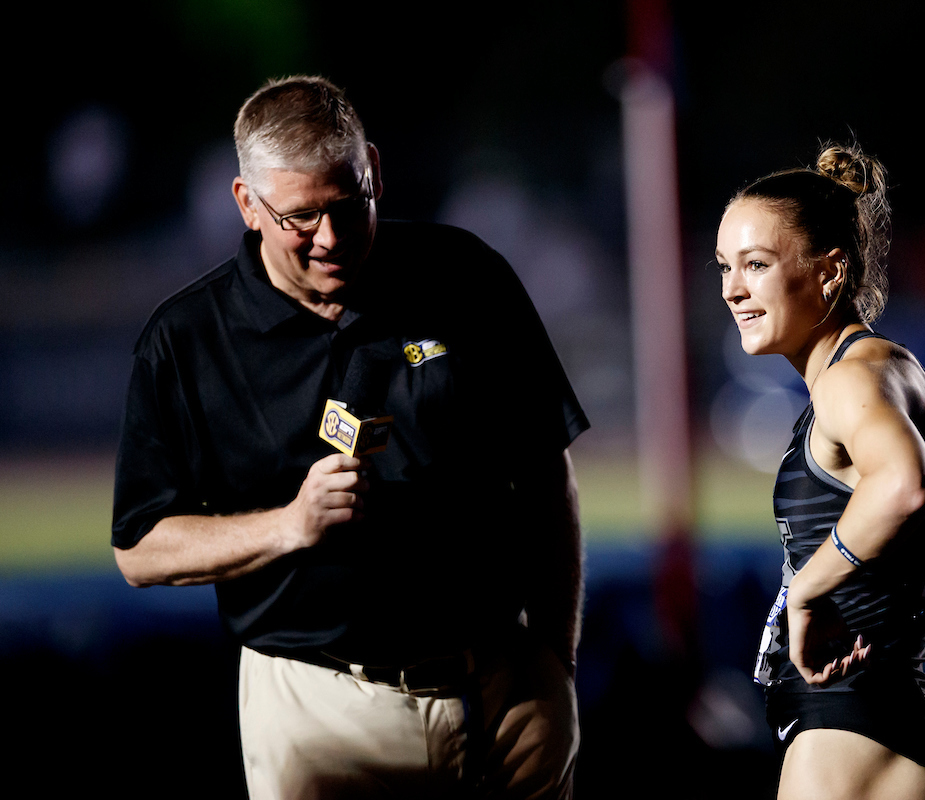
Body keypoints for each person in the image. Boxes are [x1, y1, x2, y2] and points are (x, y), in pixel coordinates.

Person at [111, 75, 589, 799]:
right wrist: (289, 526)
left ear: (374, 168)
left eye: (349, 204)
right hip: (318, 710)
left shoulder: (464, 276)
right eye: (302, 218)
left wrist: (555, 663)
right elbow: (140, 549)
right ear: (247, 204)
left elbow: (546, 477)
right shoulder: (186, 342)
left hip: (504, 689)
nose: (331, 238)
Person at [715, 142, 925, 800]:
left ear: (830, 271)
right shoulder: (892, 369)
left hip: (848, 736)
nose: (732, 289)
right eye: (724, 266)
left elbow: (905, 484)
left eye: (756, 265)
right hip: (900, 719)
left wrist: (810, 589)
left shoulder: (849, 380)